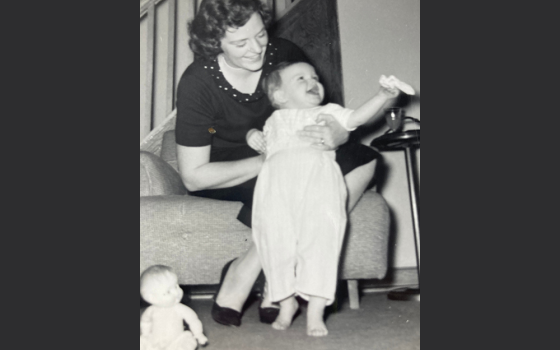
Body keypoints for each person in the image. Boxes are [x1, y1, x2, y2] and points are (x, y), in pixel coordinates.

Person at [175, 0, 379, 327]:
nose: (256, 49)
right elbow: (193, 177)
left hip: (294, 155)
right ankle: (251, 268)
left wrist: (338, 133)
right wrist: (270, 161)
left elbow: (317, 109)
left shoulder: (283, 52)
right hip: (233, 172)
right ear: (215, 43)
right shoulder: (198, 82)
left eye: (260, 35)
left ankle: (281, 268)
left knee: (364, 159)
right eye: (240, 43)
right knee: (287, 183)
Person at [249, 61, 402, 336]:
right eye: (300, 78)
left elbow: (356, 118)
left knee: (321, 241)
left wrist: (383, 96)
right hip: (276, 189)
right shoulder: (272, 120)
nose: (313, 81)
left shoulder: (327, 113)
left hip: (318, 186)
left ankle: (316, 310)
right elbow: (260, 142)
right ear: (280, 96)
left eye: (315, 77)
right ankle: (286, 303)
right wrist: (252, 136)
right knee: (274, 242)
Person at [140, 265, 208, 350]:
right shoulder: (151, 310)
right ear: (152, 298)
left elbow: (193, 321)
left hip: (177, 341)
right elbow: (145, 322)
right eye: (168, 291)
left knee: (188, 343)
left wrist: (198, 334)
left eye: (176, 286)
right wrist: (145, 334)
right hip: (155, 341)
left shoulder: (180, 309)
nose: (176, 292)